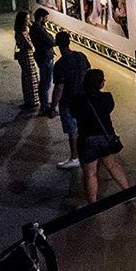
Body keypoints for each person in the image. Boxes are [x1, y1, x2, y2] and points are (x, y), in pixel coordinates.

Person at [71, 69, 130, 203]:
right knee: (113, 166)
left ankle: (93, 203)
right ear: (100, 84)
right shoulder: (107, 97)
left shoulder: (78, 100)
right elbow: (109, 109)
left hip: (87, 139)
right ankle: (128, 193)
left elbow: (74, 114)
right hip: (105, 137)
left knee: (90, 174)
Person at [51, 32, 91, 169]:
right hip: (84, 99)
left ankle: (75, 157)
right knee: (83, 128)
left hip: (68, 102)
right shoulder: (81, 56)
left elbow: (59, 88)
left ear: (58, 44)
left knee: (72, 132)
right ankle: (86, 153)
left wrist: (53, 106)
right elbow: (88, 73)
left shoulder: (60, 65)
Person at [30, 8, 56, 113]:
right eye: (46, 17)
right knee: (45, 82)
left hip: (43, 57)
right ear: (41, 18)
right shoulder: (38, 29)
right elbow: (51, 41)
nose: (47, 20)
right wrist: (52, 38)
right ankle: (44, 106)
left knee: (45, 81)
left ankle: (44, 103)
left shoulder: (36, 28)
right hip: (45, 57)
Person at [14, 11, 40, 111]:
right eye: (27, 19)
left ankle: (31, 99)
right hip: (26, 55)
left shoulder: (21, 30)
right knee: (30, 76)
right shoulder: (22, 31)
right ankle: (32, 100)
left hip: (26, 55)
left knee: (29, 76)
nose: (29, 21)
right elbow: (29, 44)